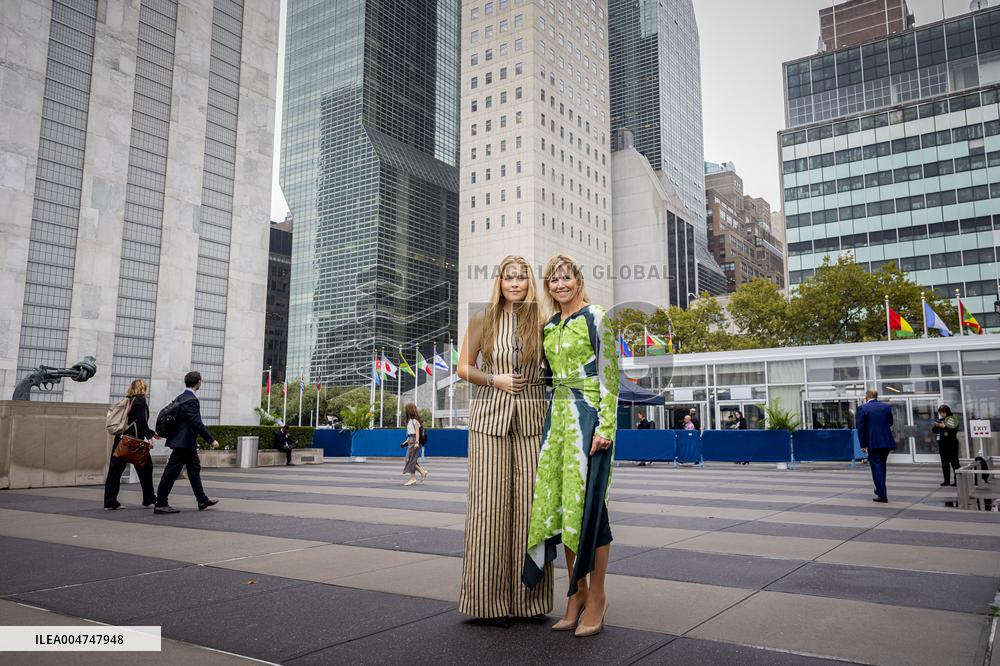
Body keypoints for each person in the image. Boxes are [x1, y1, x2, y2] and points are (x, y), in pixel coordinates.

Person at [524, 254, 619, 638]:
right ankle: (575, 593)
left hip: (589, 420)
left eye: (566, 278)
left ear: (578, 281)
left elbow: (611, 374)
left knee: (591, 508)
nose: (560, 285)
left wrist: (606, 426)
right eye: (553, 280)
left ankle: (597, 596)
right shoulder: (549, 326)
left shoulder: (597, 317)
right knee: (559, 507)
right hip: (556, 422)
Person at [457, 254, 551, 626]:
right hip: (488, 421)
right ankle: (488, 602)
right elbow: (463, 366)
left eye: (521, 278)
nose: (515, 284)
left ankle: (530, 602)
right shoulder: (484, 318)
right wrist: (493, 379)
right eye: (508, 278)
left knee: (532, 511)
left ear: (530, 283)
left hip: (532, 421)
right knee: (489, 511)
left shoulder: (542, 321)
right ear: (499, 281)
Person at [154, 371, 220, 514]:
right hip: (183, 444)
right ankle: (161, 503)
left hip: (185, 443)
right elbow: (196, 423)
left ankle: (202, 499)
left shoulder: (180, 398)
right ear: (198, 382)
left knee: (194, 470)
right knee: (171, 472)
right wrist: (211, 440)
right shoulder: (191, 400)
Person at [104, 379, 159, 509]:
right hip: (134, 442)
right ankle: (149, 499)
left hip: (121, 439)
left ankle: (110, 501)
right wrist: (149, 436)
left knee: (115, 471)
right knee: (146, 468)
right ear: (143, 388)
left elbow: (134, 420)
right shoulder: (140, 400)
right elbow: (140, 421)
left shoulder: (129, 400)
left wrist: (151, 433)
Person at [856, 389, 895, 503]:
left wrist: (863, 444)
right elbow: (890, 422)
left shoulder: (863, 408)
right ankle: (879, 489)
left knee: (876, 467)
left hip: (873, 442)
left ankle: (882, 494)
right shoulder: (886, 407)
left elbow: (861, 428)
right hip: (886, 441)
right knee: (882, 466)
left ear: (866, 397)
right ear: (876, 396)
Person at [932, 404, 960, 487]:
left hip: (952, 444)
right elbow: (934, 431)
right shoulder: (940, 420)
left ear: (947, 412)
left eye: (942, 412)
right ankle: (946, 481)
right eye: (940, 413)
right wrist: (936, 425)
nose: (941, 414)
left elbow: (953, 432)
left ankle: (957, 481)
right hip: (942, 444)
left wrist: (944, 427)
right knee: (944, 463)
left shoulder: (953, 419)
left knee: (955, 463)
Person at [402, 403, 428, 486]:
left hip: (414, 441)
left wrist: (416, 442)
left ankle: (413, 478)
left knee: (410, 460)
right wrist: (406, 441)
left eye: (407, 409)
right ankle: (422, 471)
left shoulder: (415, 421)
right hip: (410, 440)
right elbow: (410, 433)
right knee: (408, 460)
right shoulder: (410, 421)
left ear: (410, 410)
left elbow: (417, 433)